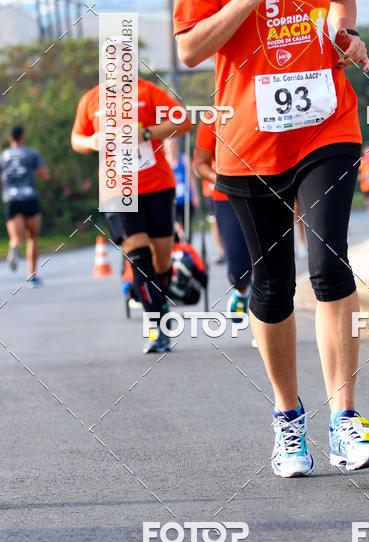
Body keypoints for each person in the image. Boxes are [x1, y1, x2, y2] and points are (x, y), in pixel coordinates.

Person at [174, 0, 369, 477]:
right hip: (250, 142)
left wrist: (344, 34)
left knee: (330, 264)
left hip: (327, 126)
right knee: (271, 287)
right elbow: (190, 48)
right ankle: (289, 420)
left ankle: (346, 420)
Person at [71, 77, 192, 353]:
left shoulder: (147, 91)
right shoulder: (92, 99)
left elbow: (184, 121)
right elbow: (76, 139)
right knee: (138, 255)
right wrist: (90, 140)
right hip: (116, 189)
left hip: (157, 186)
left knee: (161, 259)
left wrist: (146, 133)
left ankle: (156, 298)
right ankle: (157, 325)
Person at [192, 119, 251, 319]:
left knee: (266, 265)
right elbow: (199, 166)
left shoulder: (262, 107)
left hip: (263, 193)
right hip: (226, 197)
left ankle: (261, 316)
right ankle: (241, 291)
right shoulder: (213, 117)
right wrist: (222, 180)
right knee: (238, 270)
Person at [0, 126, 50, 285]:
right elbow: (45, 175)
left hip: (11, 199)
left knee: (16, 237)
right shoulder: (31, 153)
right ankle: (32, 276)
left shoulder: (3, 156)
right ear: (23, 137)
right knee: (32, 237)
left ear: (10, 139)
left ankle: (15, 246)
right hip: (29, 197)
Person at [165, 137, 199, 242]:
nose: (172, 148)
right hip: (172, 200)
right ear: (166, 148)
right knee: (173, 226)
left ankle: (188, 246)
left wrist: (195, 195)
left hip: (186, 199)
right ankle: (176, 247)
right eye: (170, 146)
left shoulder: (184, 159)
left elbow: (191, 178)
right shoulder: (165, 161)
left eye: (173, 145)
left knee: (187, 225)